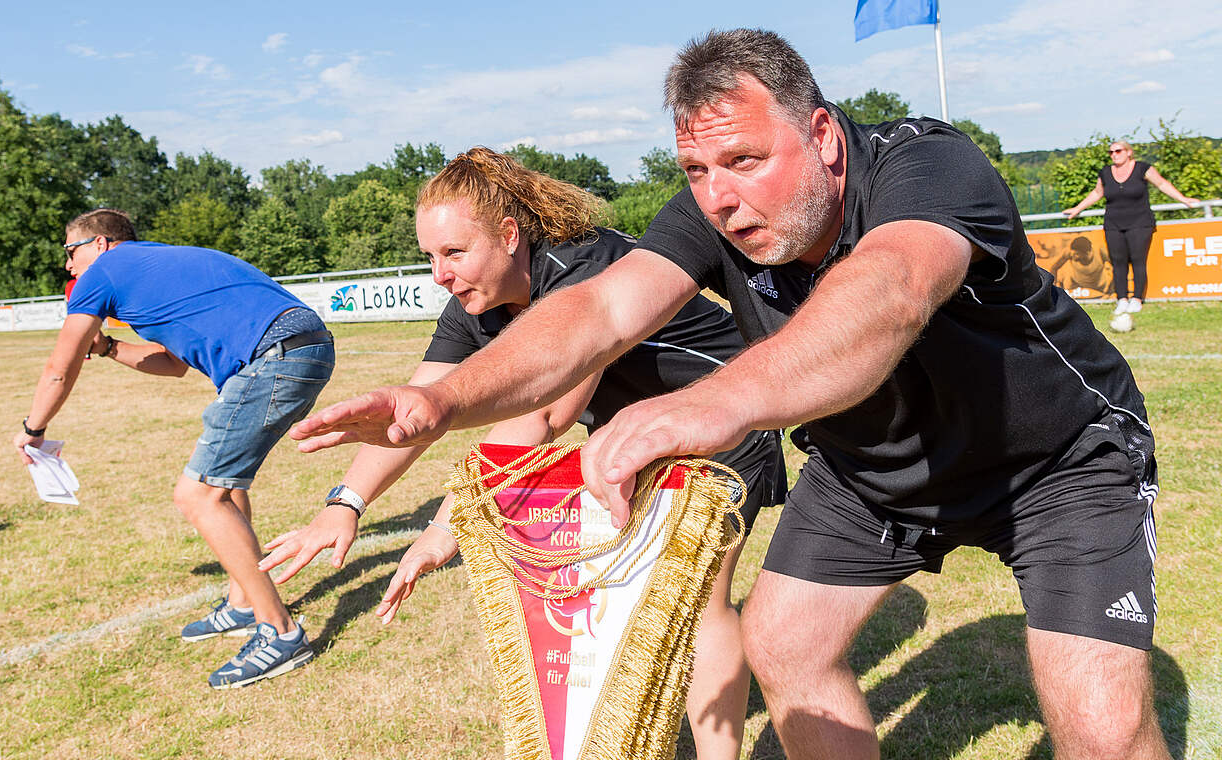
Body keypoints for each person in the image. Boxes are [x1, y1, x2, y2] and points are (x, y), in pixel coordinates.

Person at [294, 29, 1168, 760]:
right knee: (784, 644)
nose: (719, 197)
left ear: (823, 134)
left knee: (1100, 723)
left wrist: (709, 404)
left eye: (745, 159)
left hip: (1053, 463)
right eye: (698, 168)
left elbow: (890, 291)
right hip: (872, 470)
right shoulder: (705, 208)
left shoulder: (927, 165)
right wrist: (443, 401)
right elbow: (600, 308)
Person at [265, 147, 785, 760]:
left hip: (716, 421)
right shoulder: (474, 303)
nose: (439, 275)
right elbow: (417, 409)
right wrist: (344, 503)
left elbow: (544, 415)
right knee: (629, 601)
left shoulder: (583, 267)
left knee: (697, 599)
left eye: (454, 253)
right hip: (630, 438)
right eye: (430, 257)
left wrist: (448, 524)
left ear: (509, 235)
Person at [10, 208, 334, 689]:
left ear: (99, 244)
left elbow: (59, 366)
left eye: (69, 252)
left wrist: (33, 428)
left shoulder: (102, 273)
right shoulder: (156, 268)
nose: (68, 266)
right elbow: (173, 364)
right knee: (223, 484)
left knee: (197, 494)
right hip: (303, 345)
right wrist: (107, 348)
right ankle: (244, 602)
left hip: (274, 357)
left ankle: (280, 633)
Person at [1063, 139, 1200, 314]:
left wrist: (1184, 199)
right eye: (1111, 152)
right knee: (1118, 262)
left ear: (1129, 152)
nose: (1114, 155)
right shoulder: (1105, 172)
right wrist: (1077, 209)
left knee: (1137, 260)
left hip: (1140, 222)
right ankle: (1121, 299)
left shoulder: (1143, 168)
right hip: (1113, 223)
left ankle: (1137, 299)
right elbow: (1097, 193)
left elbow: (1162, 184)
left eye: (1118, 151)